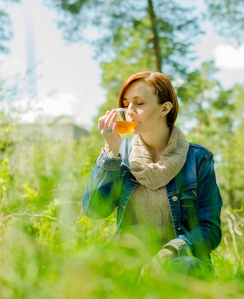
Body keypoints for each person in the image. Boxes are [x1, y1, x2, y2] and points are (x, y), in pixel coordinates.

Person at [82, 71, 222, 280]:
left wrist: (171, 251)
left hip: (179, 260)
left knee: (183, 267)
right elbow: (94, 210)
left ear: (165, 108)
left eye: (139, 103)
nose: (129, 111)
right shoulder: (121, 156)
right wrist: (110, 152)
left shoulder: (198, 159)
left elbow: (210, 229)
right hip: (129, 261)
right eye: (126, 104)